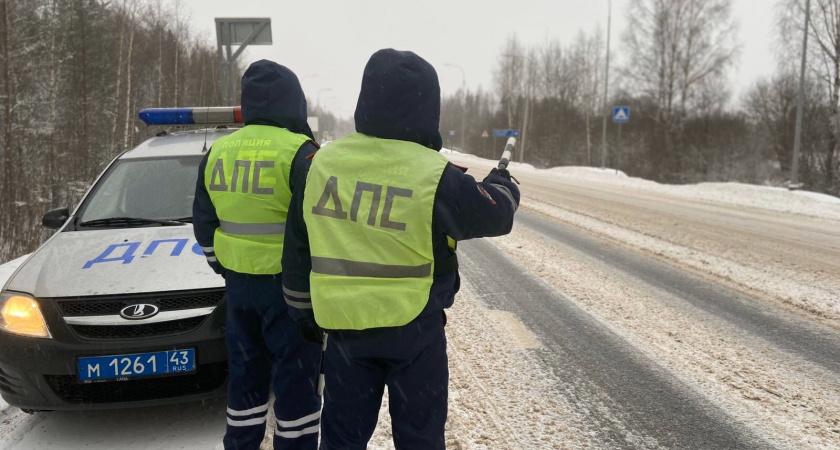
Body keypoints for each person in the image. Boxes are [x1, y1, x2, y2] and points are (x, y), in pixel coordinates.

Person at [281, 49, 520, 450]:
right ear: (429, 108)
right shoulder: (434, 174)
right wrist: (503, 185)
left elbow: (298, 246)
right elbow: (496, 215)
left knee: (341, 438)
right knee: (421, 438)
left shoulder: (319, 165)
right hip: (415, 334)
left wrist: (302, 311)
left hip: (345, 333)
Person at [193, 60, 322, 450]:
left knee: (246, 378)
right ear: (293, 102)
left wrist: (225, 267)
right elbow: (315, 226)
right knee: (295, 381)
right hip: (290, 294)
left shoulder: (217, 151)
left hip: (239, 290)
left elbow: (203, 222)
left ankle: (241, 443)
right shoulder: (301, 153)